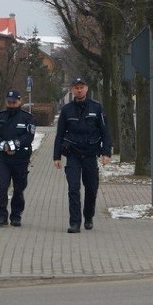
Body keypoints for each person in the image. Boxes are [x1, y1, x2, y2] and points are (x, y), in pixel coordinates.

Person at [53, 77, 112, 233]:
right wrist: (56, 156)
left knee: (91, 188)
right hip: (73, 154)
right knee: (73, 188)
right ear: (72, 90)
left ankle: (88, 216)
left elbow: (105, 131)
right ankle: (75, 222)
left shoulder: (97, 108)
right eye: (76, 87)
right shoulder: (67, 110)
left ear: (86, 88)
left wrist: (106, 152)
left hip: (90, 154)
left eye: (82, 87)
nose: (79, 90)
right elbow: (59, 134)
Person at [0, 89, 36, 227]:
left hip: (20, 158)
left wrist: (14, 145)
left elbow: (29, 136)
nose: (11, 104)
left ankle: (16, 215)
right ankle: (1, 216)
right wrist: (3, 145)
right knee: (1, 185)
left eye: (14, 102)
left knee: (18, 188)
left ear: (20, 101)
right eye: (9, 102)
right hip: (3, 158)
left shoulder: (27, 118)